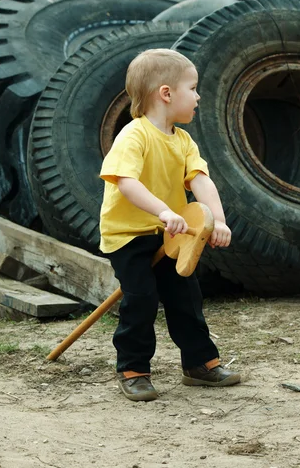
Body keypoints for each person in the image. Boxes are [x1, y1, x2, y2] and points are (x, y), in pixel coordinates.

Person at [99, 48, 241, 402]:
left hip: (171, 234)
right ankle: (133, 369)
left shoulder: (184, 141)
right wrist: (164, 211)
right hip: (128, 235)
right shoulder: (134, 136)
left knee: (185, 296)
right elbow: (126, 182)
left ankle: (200, 364)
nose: (198, 96)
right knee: (141, 299)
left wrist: (217, 220)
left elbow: (201, 182)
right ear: (166, 93)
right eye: (193, 88)